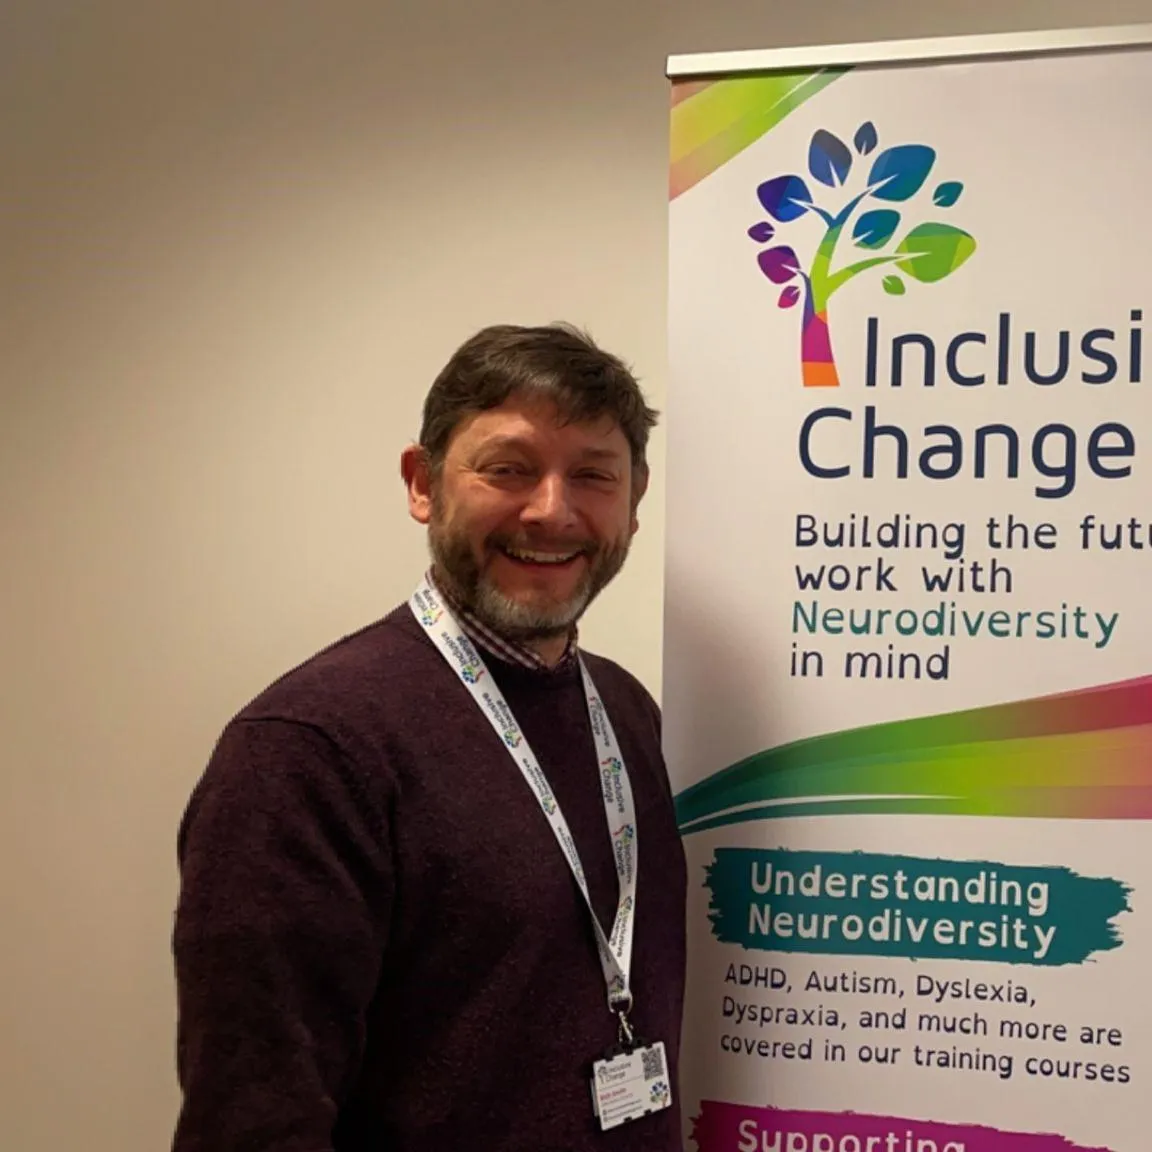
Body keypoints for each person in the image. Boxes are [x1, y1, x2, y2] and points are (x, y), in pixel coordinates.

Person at [171, 323, 688, 1152]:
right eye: (508, 469)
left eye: (592, 475)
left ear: (633, 500)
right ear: (423, 483)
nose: (552, 511)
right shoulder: (309, 750)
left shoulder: (626, 713)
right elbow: (256, 1114)